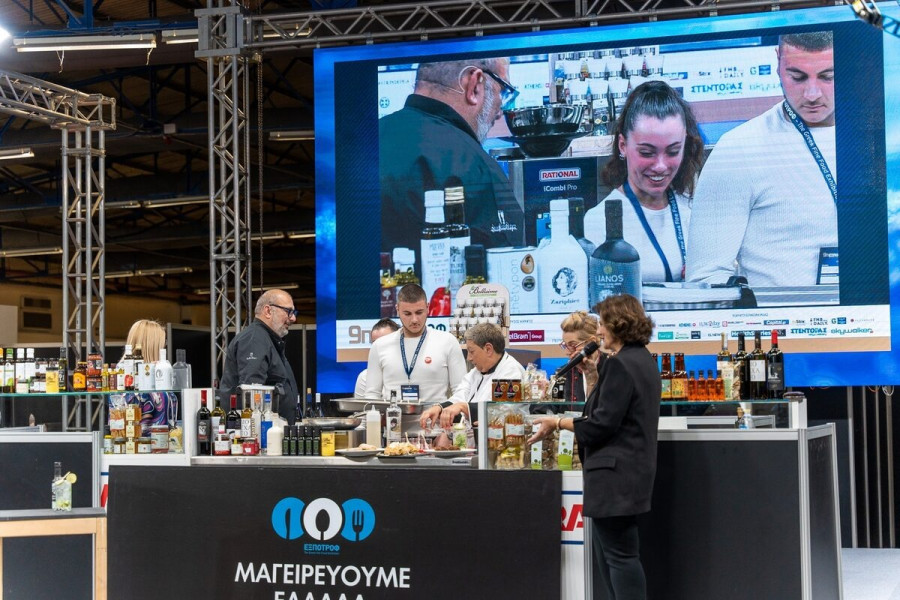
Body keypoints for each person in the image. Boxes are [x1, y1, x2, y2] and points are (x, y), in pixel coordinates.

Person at [529, 294, 660, 600]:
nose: (599, 330)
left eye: (602, 323)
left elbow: (600, 424)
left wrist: (557, 422)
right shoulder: (642, 360)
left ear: (618, 324)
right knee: (613, 556)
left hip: (614, 475)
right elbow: (606, 412)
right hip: (630, 473)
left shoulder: (621, 364)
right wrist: (591, 376)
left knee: (620, 557)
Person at [686, 31, 836, 288]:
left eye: (827, 76)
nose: (812, 94)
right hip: (780, 314)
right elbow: (705, 278)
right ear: (778, 61)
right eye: (797, 77)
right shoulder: (737, 149)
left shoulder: (882, 140)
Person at [379, 57, 525, 259]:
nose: (500, 112)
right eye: (503, 91)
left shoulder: (361, 146)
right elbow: (507, 263)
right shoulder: (478, 168)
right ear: (474, 85)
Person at [584, 80, 704, 283]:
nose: (660, 166)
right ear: (623, 145)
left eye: (673, 151)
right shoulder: (597, 223)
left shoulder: (693, 210)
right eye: (647, 153)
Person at [364, 283, 467, 402]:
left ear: (428, 307)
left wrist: (443, 410)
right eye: (407, 314)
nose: (414, 320)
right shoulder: (380, 345)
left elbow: (461, 392)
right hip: (393, 414)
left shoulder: (447, 341)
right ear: (397, 310)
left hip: (436, 414)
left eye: (419, 312)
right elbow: (372, 395)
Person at [418, 322, 524, 429]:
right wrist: (439, 408)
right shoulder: (476, 372)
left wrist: (463, 407)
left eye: (471, 351)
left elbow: (503, 411)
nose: (469, 358)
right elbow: (460, 396)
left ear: (488, 349)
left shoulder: (511, 372)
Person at [220, 289, 299, 424]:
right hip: (260, 432)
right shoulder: (255, 340)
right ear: (268, 311)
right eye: (288, 311)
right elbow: (251, 396)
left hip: (272, 431)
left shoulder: (267, 340)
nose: (293, 318)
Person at [116, 319, 176, 436]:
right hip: (140, 441)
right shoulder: (125, 375)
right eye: (163, 343)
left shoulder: (159, 371)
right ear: (153, 346)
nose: (164, 346)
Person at [558, 311, 604, 405]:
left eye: (573, 345)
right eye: (565, 345)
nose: (567, 352)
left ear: (591, 342)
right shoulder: (564, 372)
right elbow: (546, 409)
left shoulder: (611, 368)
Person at [354, 318, 400, 398]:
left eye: (385, 342)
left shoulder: (411, 372)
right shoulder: (365, 377)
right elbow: (363, 406)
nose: (378, 347)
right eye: (374, 343)